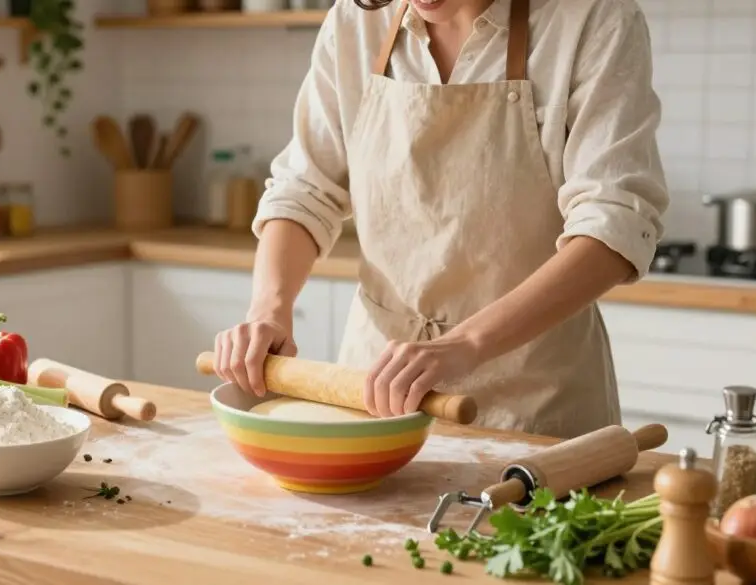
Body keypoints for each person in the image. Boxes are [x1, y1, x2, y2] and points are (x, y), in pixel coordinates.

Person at [212, 0, 669, 439]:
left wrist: (466, 344)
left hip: (534, 406)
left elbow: (613, 224)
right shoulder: (355, 23)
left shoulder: (591, 19)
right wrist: (269, 310)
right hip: (375, 392)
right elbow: (306, 187)